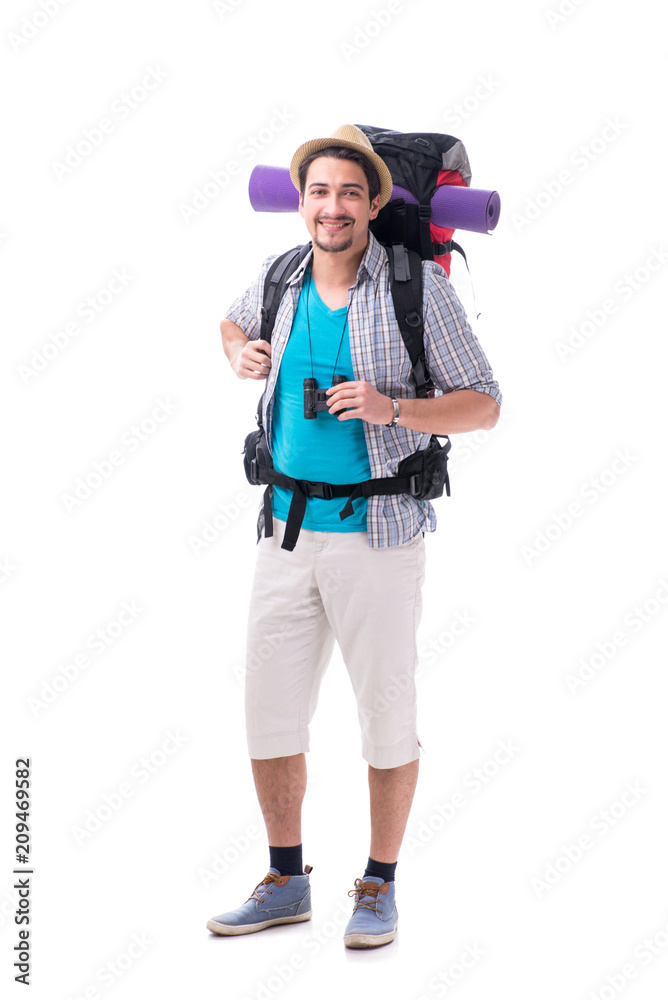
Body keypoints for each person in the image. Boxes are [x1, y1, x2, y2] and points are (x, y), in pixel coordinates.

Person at [207, 125, 502, 949]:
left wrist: (394, 409)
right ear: (300, 204)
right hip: (285, 534)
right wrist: (241, 353)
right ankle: (285, 878)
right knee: (267, 714)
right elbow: (228, 325)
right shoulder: (280, 278)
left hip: (380, 535)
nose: (330, 208)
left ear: (373, 203)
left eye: (347, 193)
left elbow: (484, 401)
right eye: (317, 193)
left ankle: (379, 885)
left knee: (385, 715)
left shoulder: (416, 290)